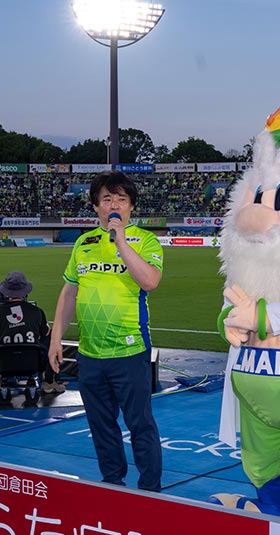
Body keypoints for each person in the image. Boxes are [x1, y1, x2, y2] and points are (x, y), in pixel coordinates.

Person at [47, 170, 164, 492]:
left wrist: (121, 241)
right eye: (107, 199)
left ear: (131, 206)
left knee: (140, 425)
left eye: (121, 199)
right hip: (90, 354)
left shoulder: (146, 241)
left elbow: (150, 281)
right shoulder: (83, 243)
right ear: (96, 206)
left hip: (129, 351)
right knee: (101, 425)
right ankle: (113, 484)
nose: (114, 205)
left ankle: (150, 490)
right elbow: (69, 293)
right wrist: (55, 339)